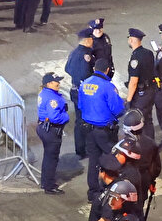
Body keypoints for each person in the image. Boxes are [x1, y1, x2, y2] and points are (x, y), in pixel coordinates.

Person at [78, 62, 126, 199]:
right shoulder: (108, 86)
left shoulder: (84, 83)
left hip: (88, 129)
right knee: (112, 159)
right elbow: (118, 109)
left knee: (93, 161)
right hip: (105, 131)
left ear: (94, 69)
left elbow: (80, 105)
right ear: (107, 70)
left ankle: (93, 193)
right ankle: (111, 190)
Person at [36, 72, 70, 194]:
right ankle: (49, 186)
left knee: (48, 157)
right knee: (52, 159)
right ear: (49, 83)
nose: (58, 83)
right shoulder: (52, 98)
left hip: (43, 128)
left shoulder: (44, 93)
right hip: (51, 130)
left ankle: (45, 182)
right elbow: (55, 117)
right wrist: (66, 117)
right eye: (56, 81)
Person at [65, 28, 94, 159]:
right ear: (87, 40)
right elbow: (86, 74)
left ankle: (80, 148)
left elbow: (67, 68)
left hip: (75, 89)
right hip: (84, 92)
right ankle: (85, 148)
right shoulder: (86, 55)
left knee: (79, 120)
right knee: (85, 121)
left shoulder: (74, 52)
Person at [124, 28, 156, 144]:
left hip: (141, 94)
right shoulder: (148, 53)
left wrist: (128, 100)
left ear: (132, 40)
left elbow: (133, 82)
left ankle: (142, 146)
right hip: (150, 91)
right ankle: (151, 144)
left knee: (139, 120)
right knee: (148, 119)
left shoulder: (135, 58)